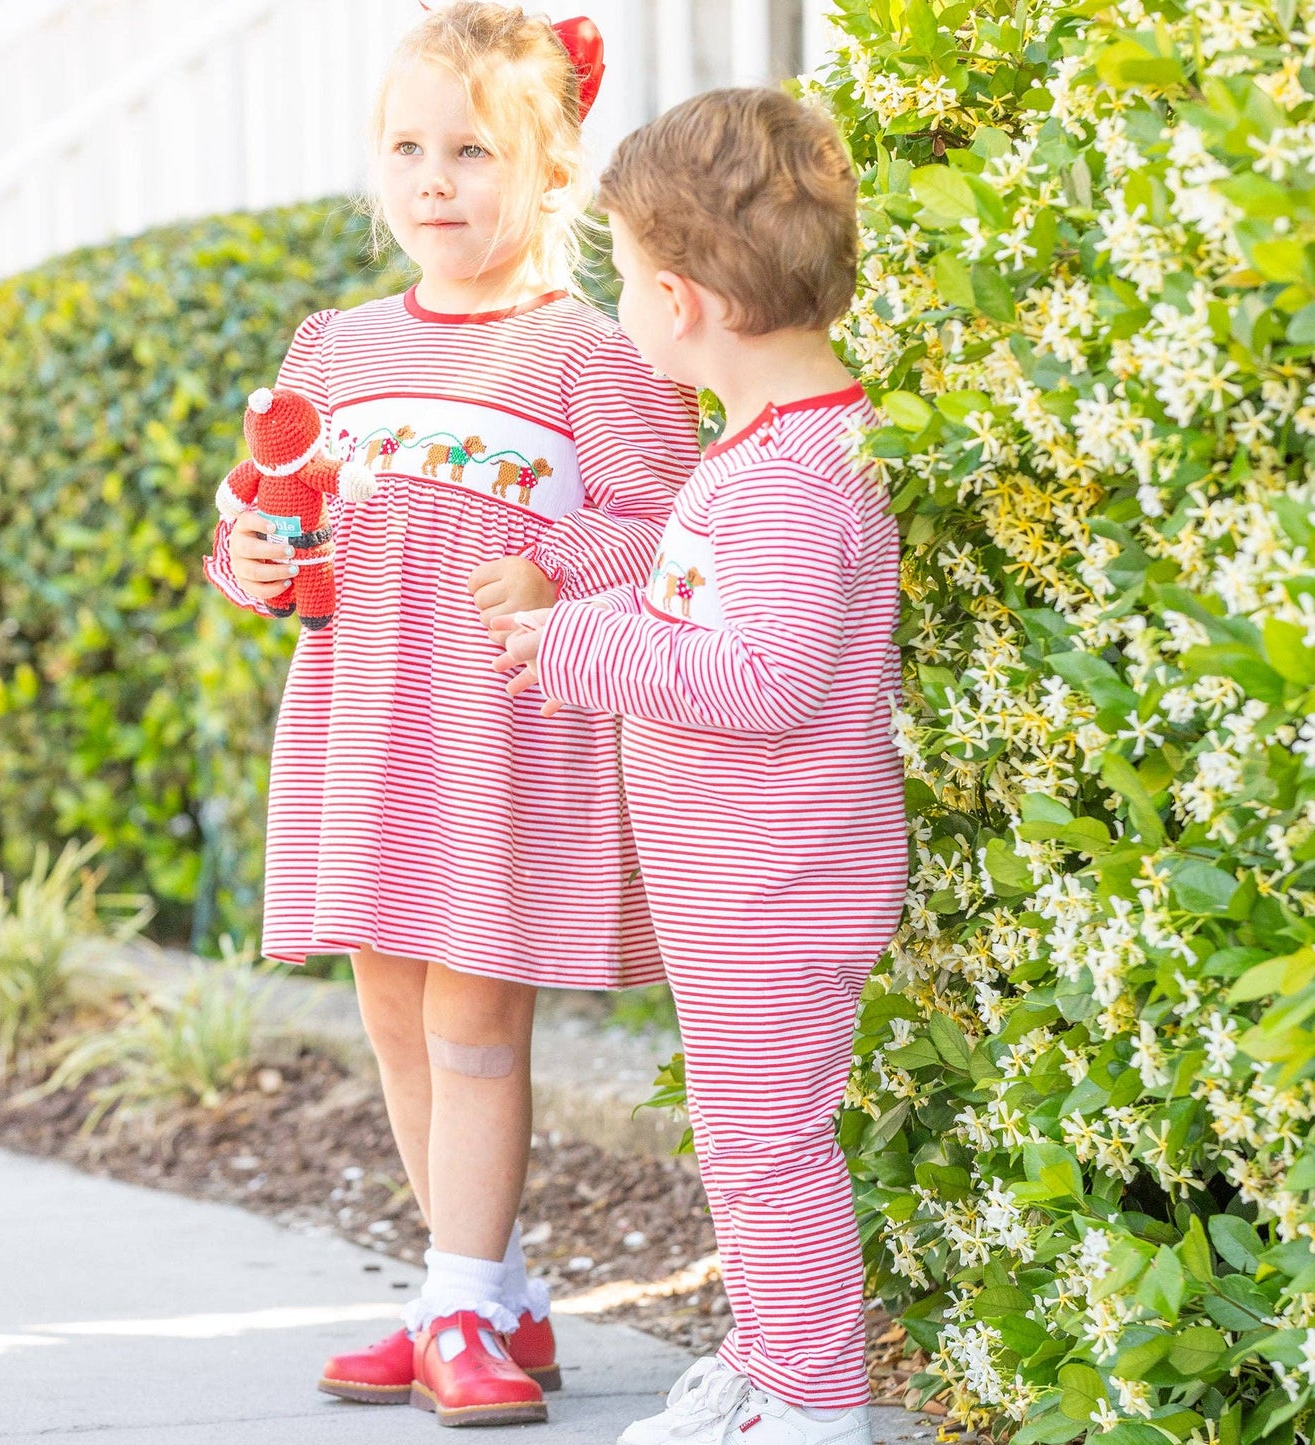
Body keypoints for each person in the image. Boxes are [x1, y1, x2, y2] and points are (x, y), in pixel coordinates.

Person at [203, 4, 699, 1427]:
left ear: (550, 171)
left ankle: (465, 1300)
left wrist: (558, 561)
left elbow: (673, 528)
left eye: (472, 149)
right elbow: (266, 529)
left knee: (476, 1023)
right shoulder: (335, 349)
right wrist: (243, 559)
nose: (434, 178)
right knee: (397, 1019)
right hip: (360, 730)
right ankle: (477, 1291)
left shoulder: (585, 356)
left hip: (500, 737)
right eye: (408, 147)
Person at [493, 87, 906, 1445]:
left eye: (618, 277)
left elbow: (761, 673)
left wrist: (577, 651)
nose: (617, 309)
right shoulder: (772, 449)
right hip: (746, 874)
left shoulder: (785, 478)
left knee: (768, 1141)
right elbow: (698, 583)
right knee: (748, 1136)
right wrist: (578, 578)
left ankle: (813, 1398)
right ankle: (768, 1355)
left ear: (683, 301)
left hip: (773, 882)